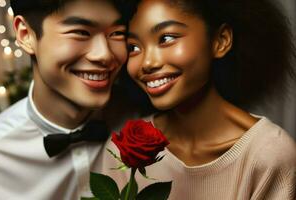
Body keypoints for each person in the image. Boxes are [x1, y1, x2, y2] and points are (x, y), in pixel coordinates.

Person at [101, 0, 296, 199]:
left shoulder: (268, 154)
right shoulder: (123, 149)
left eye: (166, 38)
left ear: (221, 41)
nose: (147, 62)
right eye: (133, 47)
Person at [0, 0, 138, 199]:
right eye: (81, 32)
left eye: (117, 33)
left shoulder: (146, 118)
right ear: (25, 35)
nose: (105, 55)